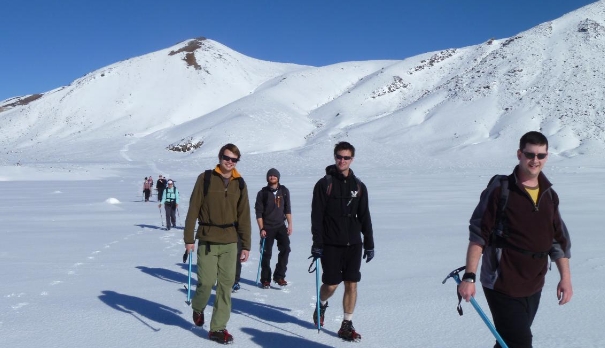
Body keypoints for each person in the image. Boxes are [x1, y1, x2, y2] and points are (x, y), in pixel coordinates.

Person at [458, 131, 572, 348]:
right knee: (519, 343)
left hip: (534, 283)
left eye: (541, 155)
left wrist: (565, 278)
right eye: (530, 154)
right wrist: (469, 276)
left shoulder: (549, 195)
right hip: (502, 283)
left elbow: (558, 241)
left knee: (507, 343)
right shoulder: (501, 189)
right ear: (519, 154)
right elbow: (479, 233)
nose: (535, 160)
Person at [184, 143, 251, 344]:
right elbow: (193, 209)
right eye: (226, 157)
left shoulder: (239, 183)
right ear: (220, 157)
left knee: (225, 286)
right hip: (207, 238)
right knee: (206, 282)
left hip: (231, 241)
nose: (229, 162)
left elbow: (244, 215)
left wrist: (246, 245)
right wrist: (189, 239)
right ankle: (198, 306)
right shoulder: (205, 178)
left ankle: (217, 328)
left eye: (234, 159)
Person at [310, 141, 374, 342]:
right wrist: (317, 243)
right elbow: (317, 216)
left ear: (352, 159)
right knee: (331, 284)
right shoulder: (324, 184)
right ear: (334, 157)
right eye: (339, 156)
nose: (342, 160)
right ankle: (321, 303)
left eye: (346, 157)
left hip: (354, 244)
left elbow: (364, 216)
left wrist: (369, 243)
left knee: (352, 284)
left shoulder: (359, 186)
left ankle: (346, 324)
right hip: (331, 244)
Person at [255, 168, 292, 289]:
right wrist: (261, 229)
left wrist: (290, 224)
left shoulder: (284, 191)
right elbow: (259, 213)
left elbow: (287, 209)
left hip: (281, 226)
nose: (272, 177)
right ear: (267, 178)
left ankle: (279, 276)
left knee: (285, 249)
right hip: (267, 227)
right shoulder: (262, 193)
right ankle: (265, 279)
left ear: (278, 178)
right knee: (266, 254)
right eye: (270, 175)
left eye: (274, 175)